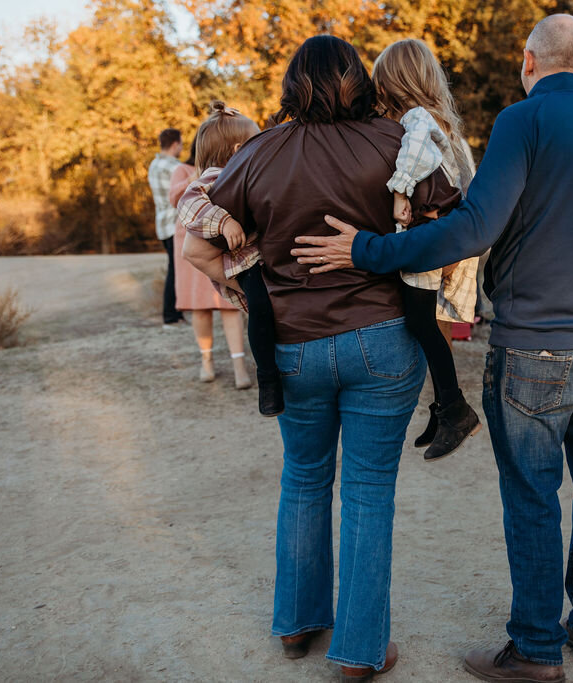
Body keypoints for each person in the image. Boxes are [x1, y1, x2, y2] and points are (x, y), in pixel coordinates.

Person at [292, 15, 573, 683]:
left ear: (530, 61)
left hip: (533, 349)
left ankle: (534, 649)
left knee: (532, 498)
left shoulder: (522, 121)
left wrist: (368, 249)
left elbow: (474, 227)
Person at [206, 35, 461, 680]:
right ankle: (358, 652)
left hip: (291, 344)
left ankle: (296, 626)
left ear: (293, 85)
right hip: (381, 337)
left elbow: (208, 215)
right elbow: (451, 216)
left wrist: (233, 285)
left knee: (303, 480)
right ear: (359, 80)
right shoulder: (393, 143)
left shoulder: (260, 150)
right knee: (369, 493)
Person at [373, 38, 482, 460]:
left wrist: (399, 190)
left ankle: (455, 408)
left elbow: (415, 152)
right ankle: (442, 408)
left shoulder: (418, 118)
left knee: (419, 320)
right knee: (431, 322)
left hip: (429, 233)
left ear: (396, 83)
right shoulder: (445, 124)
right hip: (447, 235)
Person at [176, 103, 281, 416]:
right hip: (245, 264)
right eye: (257, 142)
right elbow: (188, 205)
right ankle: (268, 378)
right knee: (261, 310)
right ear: (240, 149)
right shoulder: (214, 178)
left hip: (266, 258)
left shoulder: (251, 174)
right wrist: (223, 221)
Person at [169, 137, 251, 388]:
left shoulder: (231, 168)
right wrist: (199, 175)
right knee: (200, 306)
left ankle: (239, 366)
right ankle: (207, 362)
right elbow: (174, 198)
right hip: (190, 241)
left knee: (228, 305)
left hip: (221, 242)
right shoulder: (183, 170)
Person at [147, 128, 185, 326]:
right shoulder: (174, 167)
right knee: (175, 271)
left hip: (162, 224)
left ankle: (175, 313)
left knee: (174, 269)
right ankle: (171, 315)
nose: (182, 147)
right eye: (181, 144)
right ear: (175, 144)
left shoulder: (154, 164)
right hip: (173, 224)